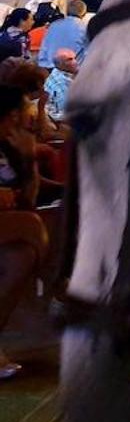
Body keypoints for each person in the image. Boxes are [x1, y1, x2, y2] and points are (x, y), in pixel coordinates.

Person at [0, 83, 47, 380]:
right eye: (19, 112)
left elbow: (28, 200)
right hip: (13, 223)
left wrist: (29, 160)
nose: (22, 118)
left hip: (9, 226)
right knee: (33, 228)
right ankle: (60, 282)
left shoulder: (10, 145)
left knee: (23, 256)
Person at [37, 0, 87, 69]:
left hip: (47, 68)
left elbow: (44, 47)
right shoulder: (85, 28)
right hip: (69, 71)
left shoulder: (54, 25)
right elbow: (86, 53)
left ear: (66, 11)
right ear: (84, 14)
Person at [44, 48, 76, 123]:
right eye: (69, 60)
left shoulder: (57, 73)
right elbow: (65, 110)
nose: (75, 62)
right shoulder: (61, 82)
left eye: (74, 58)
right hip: (60, 122)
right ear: (60, 64)